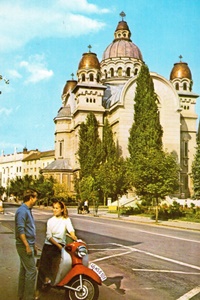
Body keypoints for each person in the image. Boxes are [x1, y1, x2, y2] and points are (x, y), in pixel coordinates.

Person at [36, 200, 77, 292]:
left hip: (60, 246)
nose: (54, 210)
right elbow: (49, 236)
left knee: (56, 268)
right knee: (43, 268)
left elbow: (71, 230)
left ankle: (51, 284)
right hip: (49, 245)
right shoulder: (50, 221)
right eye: (53, 208)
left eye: (57, 208)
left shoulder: (66, 220)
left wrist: (74, 237)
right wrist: (58, 246)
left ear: (62, 209)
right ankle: (38, 290)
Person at [15, 189, 38, 300]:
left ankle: (21, 295)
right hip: (24, 245)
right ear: (31, 198)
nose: (36, 200)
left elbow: (28, 229)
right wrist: (27, 246)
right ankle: (28, 297)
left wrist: (33, 245)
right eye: (35, 198)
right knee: (32, 271)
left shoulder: (27, 210)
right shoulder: (22, 211)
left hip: (28, 243)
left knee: (24, 270)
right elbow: (21, 230)